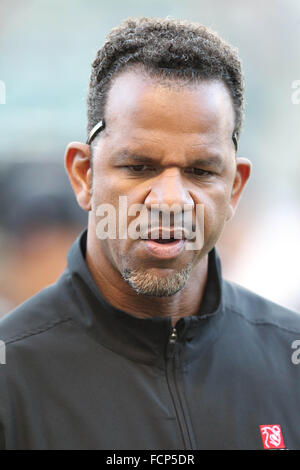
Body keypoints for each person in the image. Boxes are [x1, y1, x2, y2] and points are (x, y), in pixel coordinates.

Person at [0, 16, 299, 451]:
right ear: (84, 176)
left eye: (201, 171)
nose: (170, 200)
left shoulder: (287, 355)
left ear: (234, 187)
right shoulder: (13, 376)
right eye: (139, 167)